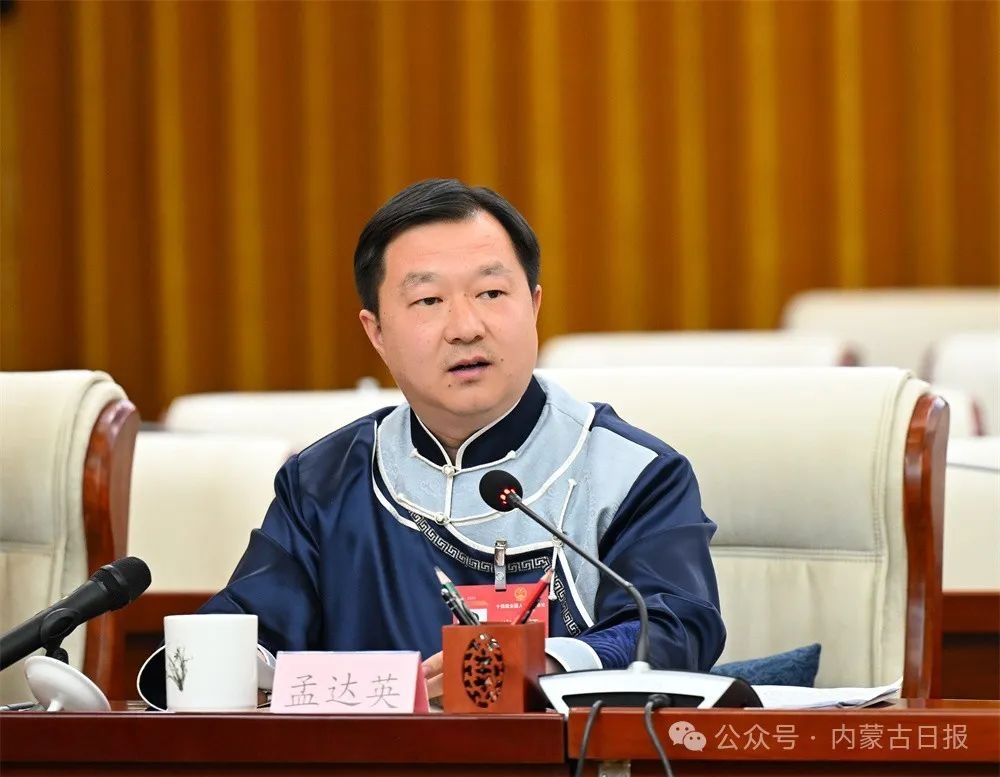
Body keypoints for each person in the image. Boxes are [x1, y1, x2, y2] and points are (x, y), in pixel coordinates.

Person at [140, 178, 726, 706]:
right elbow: (250, 631)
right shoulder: (324, 481)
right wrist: (211, 666)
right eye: (428, 301)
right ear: (376, 332)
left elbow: (675, 629)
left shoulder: (634, 472)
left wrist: (541, 665)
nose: (466, 327)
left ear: (534, 305)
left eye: (491, 293)